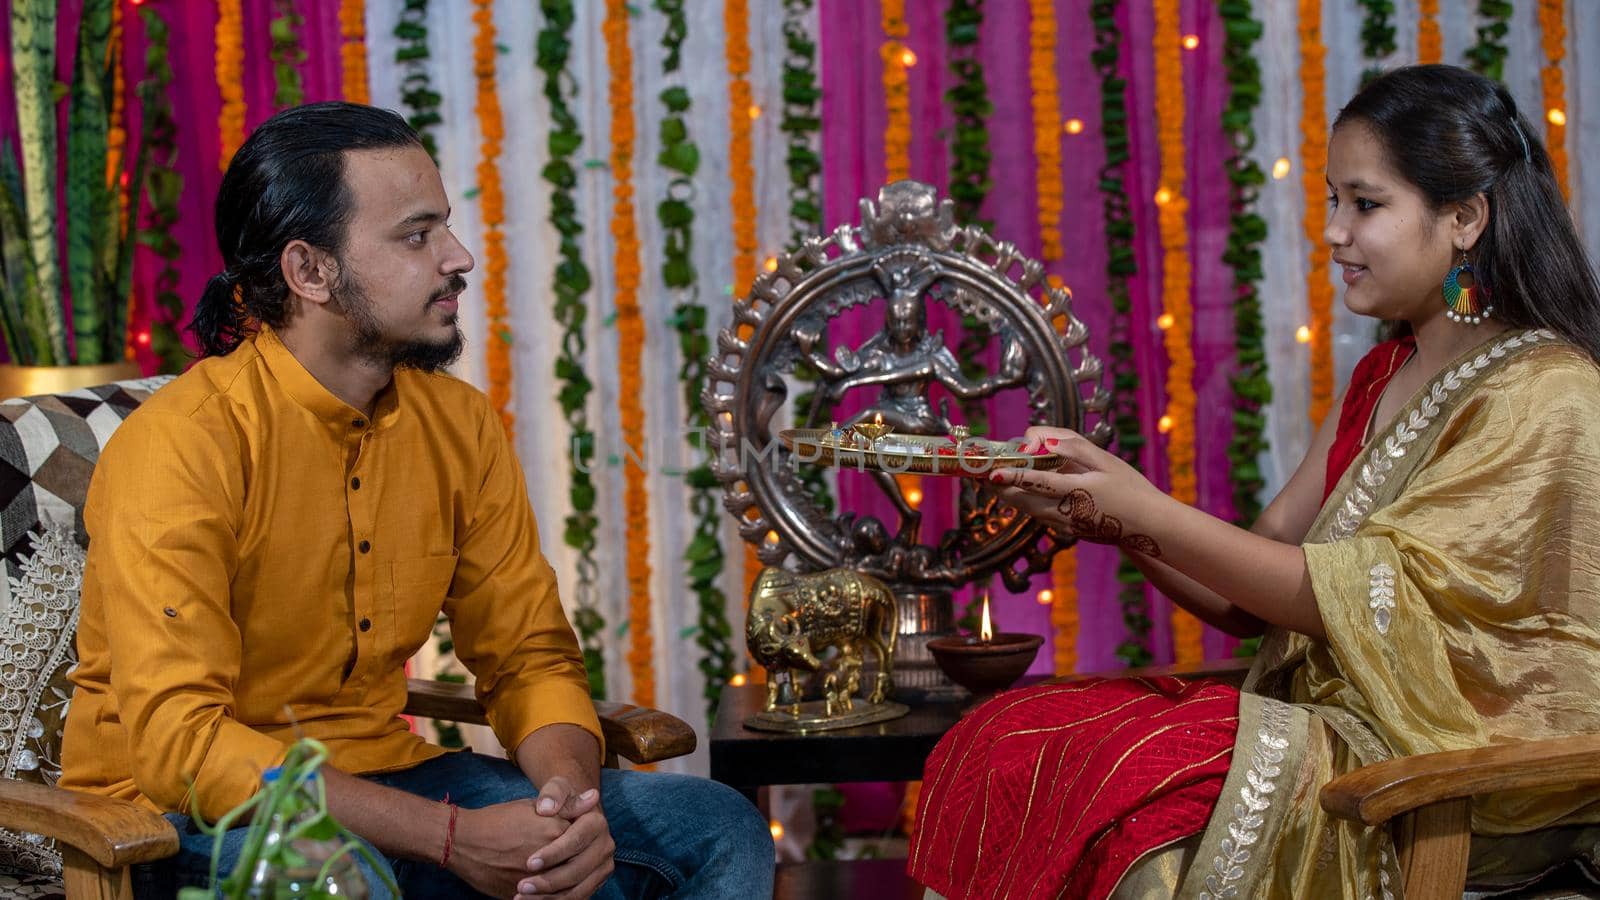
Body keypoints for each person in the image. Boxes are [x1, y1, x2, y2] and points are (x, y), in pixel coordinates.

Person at [908, 64, 1600, 899]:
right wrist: (1102, 515)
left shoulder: (1547, 392)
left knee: (1118, 796)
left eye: (1365, 204)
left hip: (1450, 771)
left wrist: (1144, 505)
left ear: (1463, 218)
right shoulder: (1385, 372)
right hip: (1334, 725)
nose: (1334, 233)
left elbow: (1335, 598)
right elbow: (1259, 583)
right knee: (1008, 735)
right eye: (1332, 201)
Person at [59, 102, 774, 900]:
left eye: (447, 228)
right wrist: (455, 839)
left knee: (716, 826)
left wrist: (564, 807)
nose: (458, 256)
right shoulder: (182, 445)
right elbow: (181, 746)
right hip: (187, 821)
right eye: (416, 235)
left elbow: (528, 655)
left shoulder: (459, 426)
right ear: (309, 271)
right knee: (340, 880)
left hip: (392, 778)